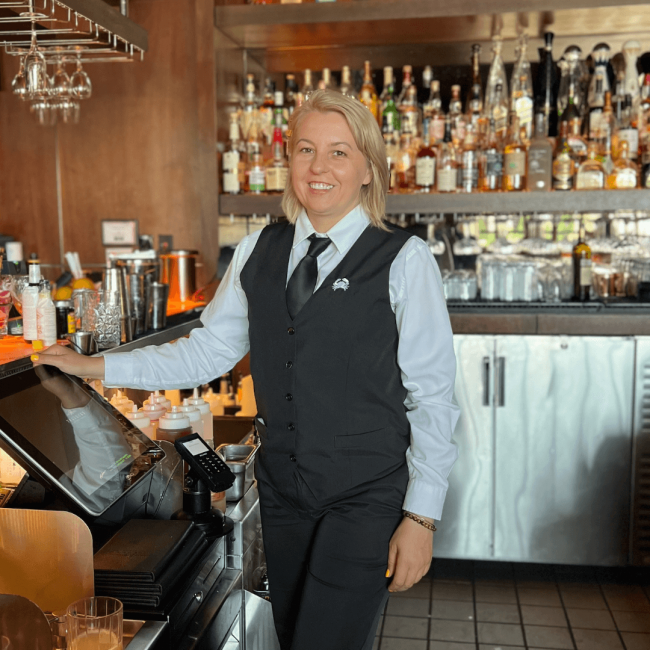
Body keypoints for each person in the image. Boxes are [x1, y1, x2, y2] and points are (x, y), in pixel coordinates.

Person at [33, 89, 460, 650]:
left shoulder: (404, 259)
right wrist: (93, 366)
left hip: (365, 494)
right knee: (293, 636)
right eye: (306, 149)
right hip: (282, 491)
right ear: (289, 162)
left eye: (339, 152)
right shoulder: (260, 248)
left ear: (367, 170)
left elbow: (433, 395)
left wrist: (421, 519)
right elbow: (208, 350)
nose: (319, 166)